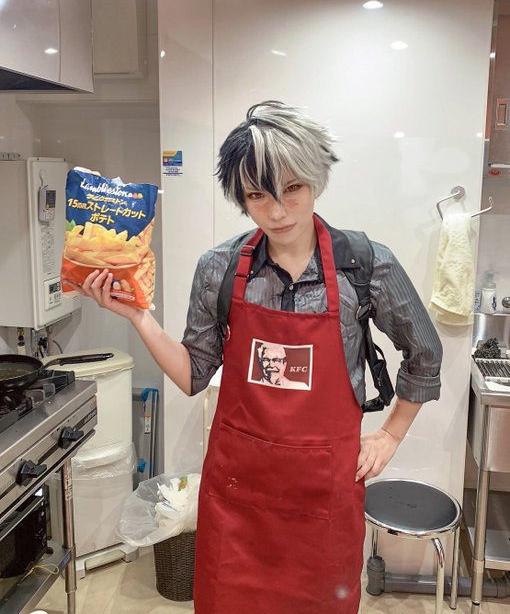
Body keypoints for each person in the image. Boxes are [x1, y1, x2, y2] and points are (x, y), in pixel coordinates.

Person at [67, 101, 442, 614]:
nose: (278, 211)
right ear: (241, 198)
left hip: (323, 500)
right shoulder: (219, 268)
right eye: (258, 195)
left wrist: (391, 435)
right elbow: (193, 373)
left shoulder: (365, 266)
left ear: (316, 181)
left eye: (293, 188)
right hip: (238, 499)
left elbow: (425, 352)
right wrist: (138, 317)